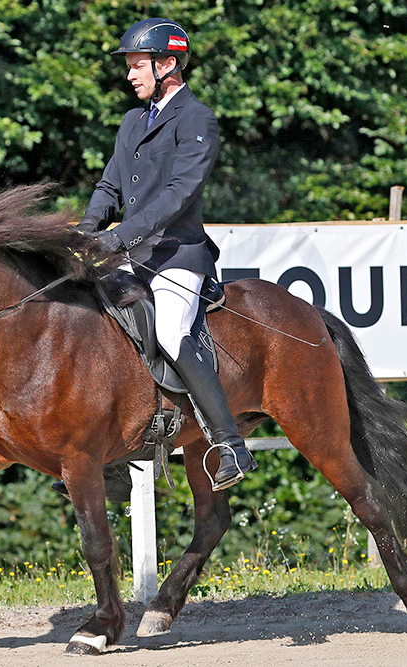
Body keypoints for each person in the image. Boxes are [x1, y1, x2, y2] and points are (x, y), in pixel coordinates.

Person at [71, 18, 257, 495]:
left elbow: (179, 193)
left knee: (172, 333)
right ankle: (112, 452)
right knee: (98, 325)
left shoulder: (198, 119)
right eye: (130, 66)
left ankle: (229, 442)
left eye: (137, 66)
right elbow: (110, 184)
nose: (130, 75)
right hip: (134, 254)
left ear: (167, 63)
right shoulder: (133, 121)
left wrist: (119, 238)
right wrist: (85, 230)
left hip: (178, 254)